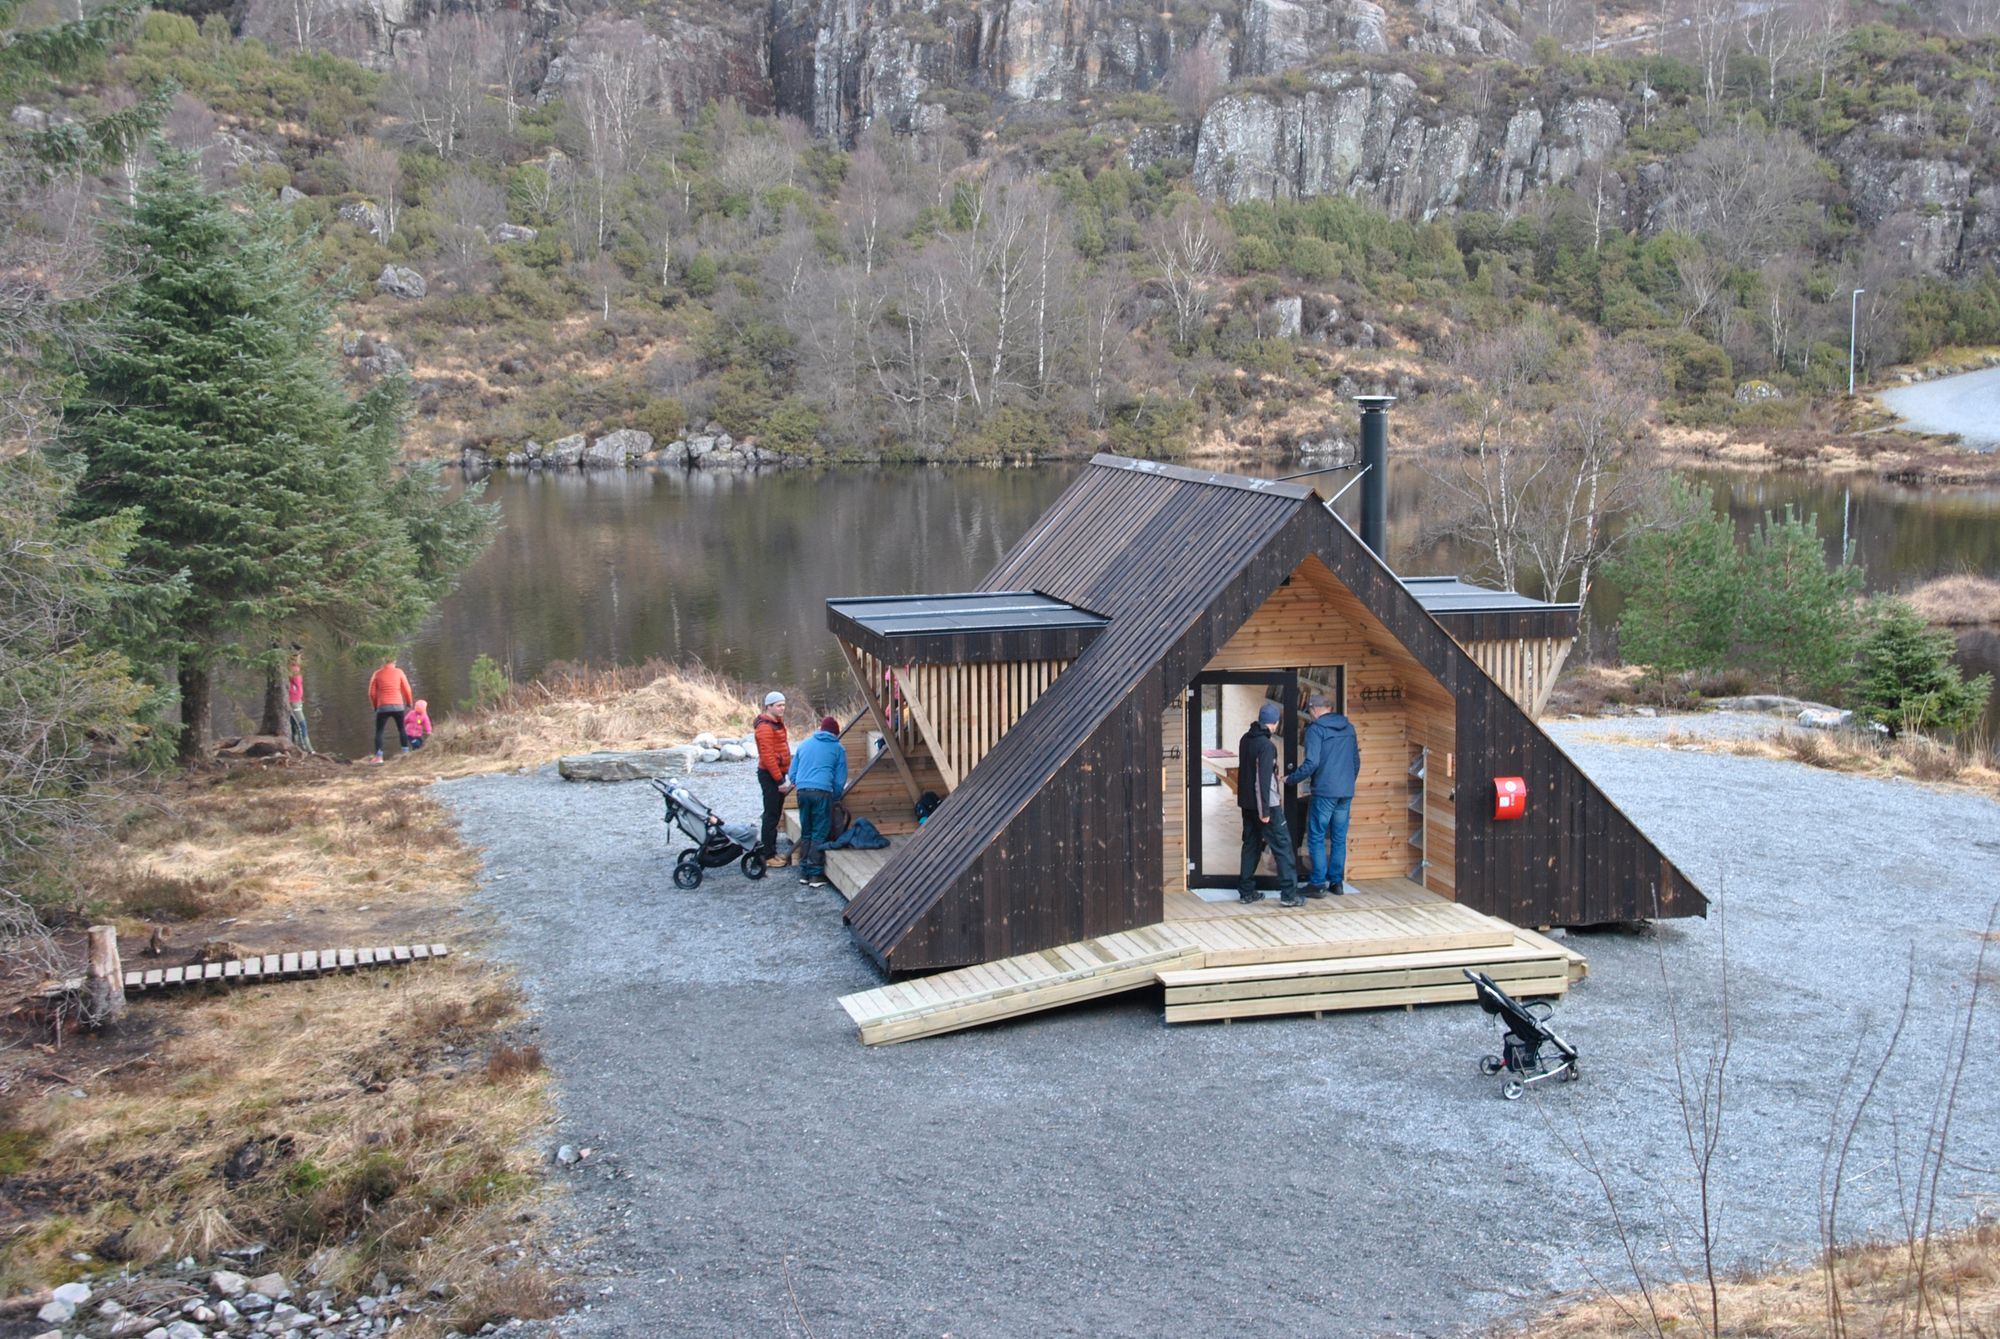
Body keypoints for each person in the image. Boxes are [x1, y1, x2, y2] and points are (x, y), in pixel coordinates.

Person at [1287, 694, 1360, 897]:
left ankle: (1318, 883)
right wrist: (1346, 783)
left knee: (1317, 836)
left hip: (1325, 791)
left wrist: (1291, 779)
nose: (1310, 714)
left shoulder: (1316, 730)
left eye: (1310, 711)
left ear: (1315, 709)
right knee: (1338, 838)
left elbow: (1312, 763)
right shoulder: (1349, 728)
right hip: (1345, 791)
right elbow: (1356, 762)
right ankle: (1336, 883)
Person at [1237, 701, 1302, 908]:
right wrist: (1265, 811)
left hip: (1247, 805)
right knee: (1283, 848)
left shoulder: (1245, 740)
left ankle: (1246, 892)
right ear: (1274, 723)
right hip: (1266, 807)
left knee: (1250, 847)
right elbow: (1262, 780)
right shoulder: (1266, 746)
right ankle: (1289, 895)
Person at [787, 714, 848, 890]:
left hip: (802, 792)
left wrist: (800, 784)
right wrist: (835, 796)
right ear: (836, 733)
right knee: (819, 832)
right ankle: (815, 874)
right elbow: (839, 780)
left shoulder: (804, 744)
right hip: (822, 793)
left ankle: (804, 872)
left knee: (806, 830)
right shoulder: (838, 748)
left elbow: (793, 773)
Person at [753, 691, 794, 866]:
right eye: (779, 705)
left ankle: (772, 851)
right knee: (770, 815)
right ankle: (768, 855)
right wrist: (779, 780)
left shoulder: (777, 723)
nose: (782, 708)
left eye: (783, 705)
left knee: (775, 814)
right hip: (770, 776)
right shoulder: (765, 727)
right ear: (769, 706)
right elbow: (768, 756)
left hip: (779, 772)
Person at [367, 654, 416, 762]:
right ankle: (405, 754)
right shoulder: (399, 672)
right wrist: (409, 702)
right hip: (398, 706)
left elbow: (371, 693)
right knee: (402, 729)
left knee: (379, 732)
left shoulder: (377, 674)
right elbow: (407, 689)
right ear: (394, 661)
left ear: (383, 662)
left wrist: (375, 706)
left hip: (383, 707)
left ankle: (379, 757)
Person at [285, 650, 313, 753]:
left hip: (298, 700)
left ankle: (294, 747)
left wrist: (301, 697)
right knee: (302, 724)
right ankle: (308, 749)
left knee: (294, 725)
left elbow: (299, 685)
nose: (300, 659)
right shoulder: (292, 670)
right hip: (293, 700)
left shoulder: (297, 669)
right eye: (299, 657)